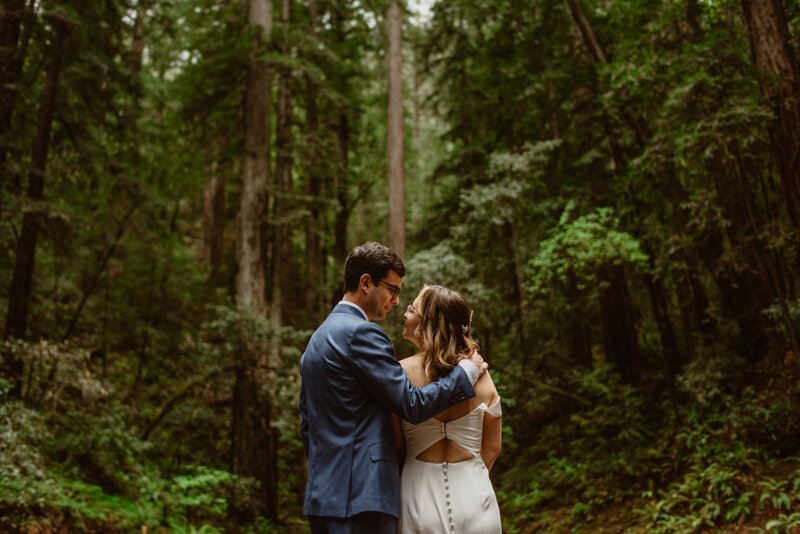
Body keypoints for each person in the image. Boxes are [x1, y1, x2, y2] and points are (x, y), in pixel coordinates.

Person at [299, 242, 488, 534]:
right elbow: (412, 405)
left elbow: (307, 425)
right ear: (366, 283)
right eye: (393, 289)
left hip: (323, 498)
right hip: (363, 499)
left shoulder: (317, 339)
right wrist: (465, 373)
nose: (397, 301)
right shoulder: (361, 333)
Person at [392, 285, 502, 534]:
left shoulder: (400, 373)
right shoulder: (482, 375)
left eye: (412, 309)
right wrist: (470, 474)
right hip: (475, 494)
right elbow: (493, 447)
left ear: (428, 323)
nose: (405, 313)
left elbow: (396, 447)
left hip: (417, 495)